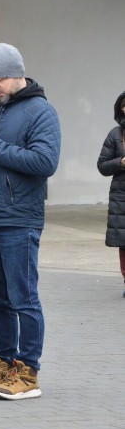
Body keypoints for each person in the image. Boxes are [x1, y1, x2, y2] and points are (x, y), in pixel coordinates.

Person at [0, 43, 60, 400]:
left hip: (19, 219)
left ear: (18, 74)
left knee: (23, 297)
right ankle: (3, 363)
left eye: (0, 78)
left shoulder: (41, 112)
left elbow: (45, 163)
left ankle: (28, 372)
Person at [98, 90, 125, 298]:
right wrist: (121, 162)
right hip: (121, 196)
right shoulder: (115, 134)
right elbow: (103, 166)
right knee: (124, 244)